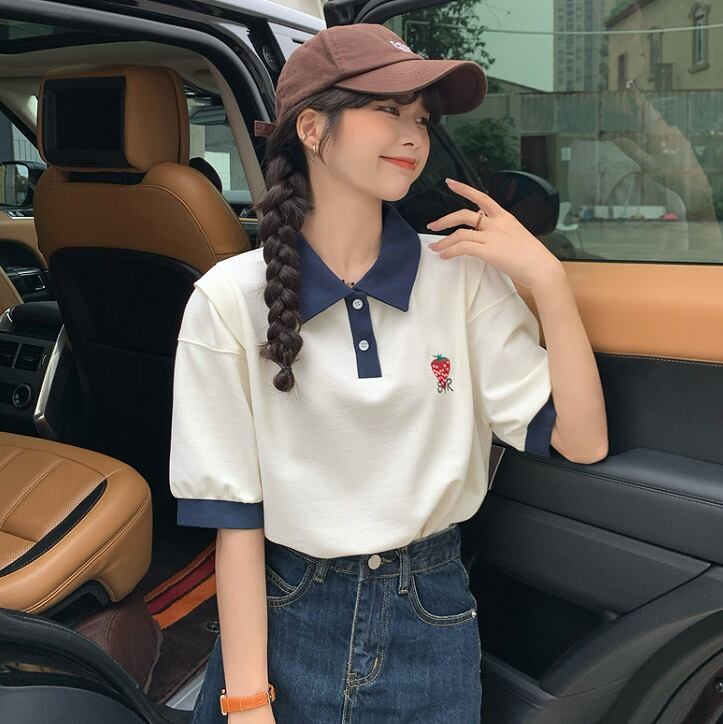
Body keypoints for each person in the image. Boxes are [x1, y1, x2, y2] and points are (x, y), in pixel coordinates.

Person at [169, 22, 608, 724]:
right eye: (387, 110)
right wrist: (248, 702)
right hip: (285, 613)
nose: (413, 136)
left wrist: (548, 280)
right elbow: (235, 520)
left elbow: (580, 441)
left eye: (422, 119)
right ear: (312, 128)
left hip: (430, 614)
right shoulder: (227, 298)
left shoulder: (460, 276)